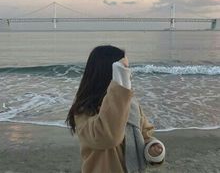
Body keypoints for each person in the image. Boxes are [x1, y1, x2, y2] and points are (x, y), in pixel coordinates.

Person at [66, 45, 165, 173]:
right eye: (124, 69)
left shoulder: (131, 104)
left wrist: (153, 147)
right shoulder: (84, 111)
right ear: (110, 73)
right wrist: (119, 85)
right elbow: (108, 137)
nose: (129, 74)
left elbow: (145, 134)